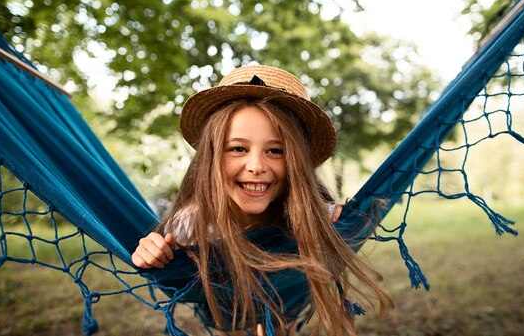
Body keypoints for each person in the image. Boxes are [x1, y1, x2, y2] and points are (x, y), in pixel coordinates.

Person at [132, 64, 392, 335]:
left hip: (284, 306)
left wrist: (338, 216)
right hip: (228, 312)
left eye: (275, 150)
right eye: (238, 148)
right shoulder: (191, 222)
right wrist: (150, 250)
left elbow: (333, 218)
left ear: (295, 163)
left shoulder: (308, 212)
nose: (256, 165)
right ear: (212, 158)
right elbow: (160, 252)